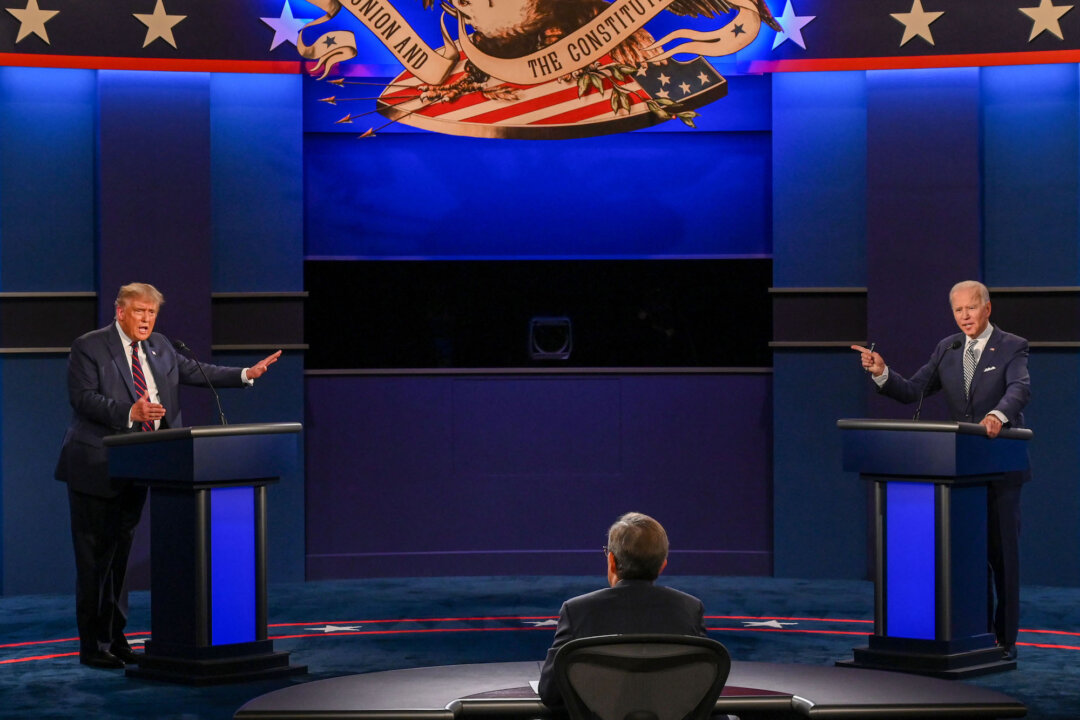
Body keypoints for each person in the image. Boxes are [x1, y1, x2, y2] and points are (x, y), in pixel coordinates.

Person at [54, 282, 282, 670]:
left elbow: (197, 371)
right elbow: (83, 398)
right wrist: (130, 412)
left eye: (152, 313)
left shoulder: (159, 346)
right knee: (95, 560)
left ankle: (116, 638)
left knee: (120, 558)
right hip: (96, 465)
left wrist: (246, 373)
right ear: (120, 311)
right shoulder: (89, 346)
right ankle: (93, 645)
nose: (146, 319)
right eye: (139, 311)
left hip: (142, 463)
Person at [851, 280, 1030, 662]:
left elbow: (1019, 389)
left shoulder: (1012, 345)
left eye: (971, 308)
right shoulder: (948, 348)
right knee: (969, 559)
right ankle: (976, 633)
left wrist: (998, 415)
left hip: (999, 468)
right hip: (959, 471)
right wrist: (882, 372)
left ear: (987, 308)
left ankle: (1005, 640)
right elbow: (912, 389)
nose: (964, 316)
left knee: (1002, 559)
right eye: (958, 310)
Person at [537, 512, 708, 707]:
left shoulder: (577, 611)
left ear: (612, 560)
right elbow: (703, 688)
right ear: (662, 565)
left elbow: (550, 693)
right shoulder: (690, 609)